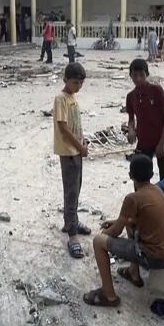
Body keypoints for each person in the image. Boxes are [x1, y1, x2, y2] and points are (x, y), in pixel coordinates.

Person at [83, 154, 164, 306]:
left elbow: (114, 233)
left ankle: (109, 295)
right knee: (129, 223)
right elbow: (134, 219)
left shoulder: (132, 198)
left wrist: (104, 235)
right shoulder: (157, 190)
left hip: (153, 257)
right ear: (152, 174)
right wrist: (118, 221)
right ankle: (134, 274)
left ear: (130, 175)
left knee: (98, 242)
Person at [54, 62, 90, 259]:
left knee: (77, 188)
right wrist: (79, 146)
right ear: (65, 80)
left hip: (76, 151)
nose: (78, 86)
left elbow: (76, 126)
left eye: (81, 83)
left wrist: (83, 142)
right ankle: (72, 235)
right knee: (71, 191)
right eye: (75, 82)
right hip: (69, 153)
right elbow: (64, 128)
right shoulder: (61, 99)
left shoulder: (73, 98)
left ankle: (72, 221)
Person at [126, 58, 164, 181]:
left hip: (162, 138)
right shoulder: (131, 96)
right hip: (144, 140)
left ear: (147, 74)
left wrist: (162, 143)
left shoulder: (156, 90)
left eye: (141, 75)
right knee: (139, 176)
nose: (138, 79)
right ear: (130, 76)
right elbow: (131, 118)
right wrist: (131, 130)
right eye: (134, 75)